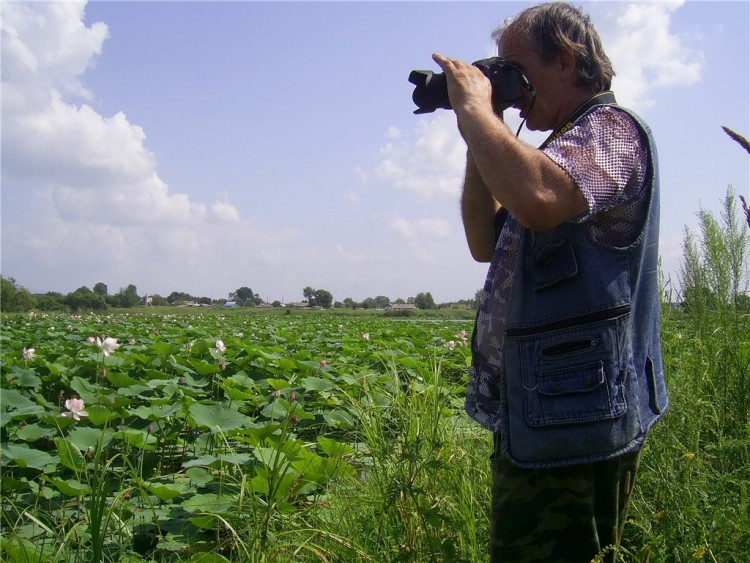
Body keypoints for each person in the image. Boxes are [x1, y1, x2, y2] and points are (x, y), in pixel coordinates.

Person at [432, 3, 669, 562]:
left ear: (565, 61)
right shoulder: (553, 150)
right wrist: (478, 132)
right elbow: (481, 243)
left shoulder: (611, 131)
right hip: (542, 412)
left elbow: (539, 199)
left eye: (515, 68)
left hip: (577, 424)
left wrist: (479, 111)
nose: (505, 83)